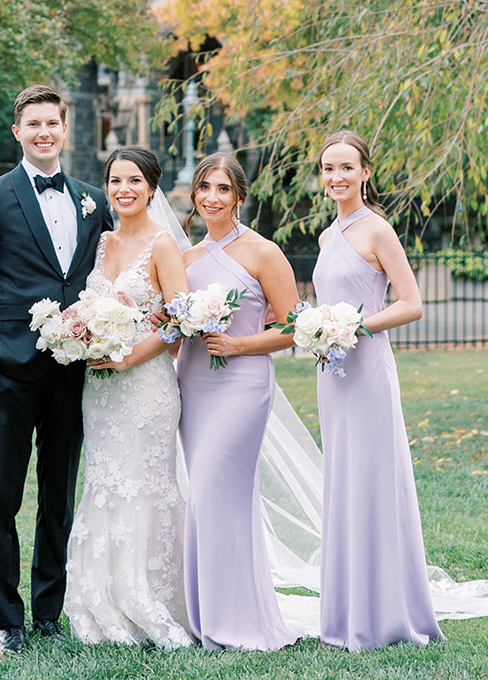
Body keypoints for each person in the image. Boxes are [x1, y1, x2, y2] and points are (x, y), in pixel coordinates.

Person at [0, 84, 112, 655]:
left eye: (52, 123)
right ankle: (7, 619)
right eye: (33, 124)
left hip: (74, 371)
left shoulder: (93, 199)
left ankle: (48, 612)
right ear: (17, 132)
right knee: (3, 496)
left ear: (64, 129)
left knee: (58, 497)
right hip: (10, 371)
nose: (44, 132)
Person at [312, 129, 442, 652]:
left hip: (367, 370)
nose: (337, 177)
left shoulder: (378, 230)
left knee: (372, 480)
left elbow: (411, 303)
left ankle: (385, 611)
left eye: (347, 167)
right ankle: (346, 610)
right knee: (343, 479)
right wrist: (320, 329)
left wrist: (356, 326)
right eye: (328, 168)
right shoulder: (326, 237)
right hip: (332, 373)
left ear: (365, 173)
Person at [63, 147, 194, 648]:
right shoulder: (101, 242)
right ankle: (101, 596)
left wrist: (128, 358)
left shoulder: (163, 245)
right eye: (116, 180)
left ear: (152, 188)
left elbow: (180, 322)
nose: (124, 189)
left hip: (146, 388)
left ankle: (151, 596)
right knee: (104, 480)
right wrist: (78, 332)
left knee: (143, 485)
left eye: (135, 180)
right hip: (100, 391)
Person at [177, 151, 301, 651]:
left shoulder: (263, 252)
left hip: (243, 384)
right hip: (194, 385)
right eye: (204, 188)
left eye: (223, 189)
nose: (212, 197)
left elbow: (293, 327)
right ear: (194, 195)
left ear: (239, 196)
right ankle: (211, 612)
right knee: (210, 499)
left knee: (213, 488)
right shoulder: (185, 259)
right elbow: (171, 329)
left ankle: (233, 621)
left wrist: (239, 344)